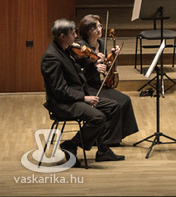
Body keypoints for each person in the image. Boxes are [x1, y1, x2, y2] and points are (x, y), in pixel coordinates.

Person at [41, 19, 125, 165]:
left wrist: (96, 63)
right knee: (98, 118)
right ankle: (71, 145)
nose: (76, 36)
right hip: (62, 103)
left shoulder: (66, 49)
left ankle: (103, 150)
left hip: (75, 96)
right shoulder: (51, 57)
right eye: (73, 33)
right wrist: (84, 98)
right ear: (62, 36)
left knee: (113, 107)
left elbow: (79, 73)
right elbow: (59, 91)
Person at [75, 15, 139, 145]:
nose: (99, 30)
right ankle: (105, 141)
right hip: (84, 87)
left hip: (97, 84)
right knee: (114, 104)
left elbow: (107, 69)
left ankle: (116, 136)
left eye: (100, 26)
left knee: (125, 100)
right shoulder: (81, 47)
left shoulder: (101, 43)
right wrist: (94, 67)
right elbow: (77, 74)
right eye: (94, 28)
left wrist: (113, 57)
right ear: (87, 31)